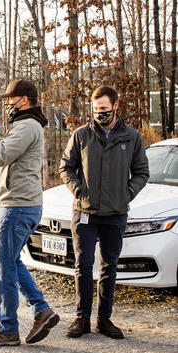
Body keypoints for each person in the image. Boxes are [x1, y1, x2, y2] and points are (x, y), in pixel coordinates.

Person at [0, 80, 60, 347]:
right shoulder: (26, 126)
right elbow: (7, 152)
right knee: (12, 262)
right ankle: (41, 309)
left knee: (2, 267)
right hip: (22, 204)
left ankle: (8, 329)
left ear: (23, 100)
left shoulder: (26, 126)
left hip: (17, 206)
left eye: (9, 100)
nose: (7, 105)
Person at [60, 85, 149, 340]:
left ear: (116, 107)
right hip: (85, 213)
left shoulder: (131, 137)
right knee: (83, 266)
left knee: (110, 267)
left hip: (116, 213)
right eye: (96, 110)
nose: (100, 114)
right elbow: (66, 168)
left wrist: (126, 193)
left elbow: (142, 172)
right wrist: (79, 191)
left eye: (104, 110)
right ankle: (82, 318)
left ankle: (104, 319)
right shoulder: (81, 135)